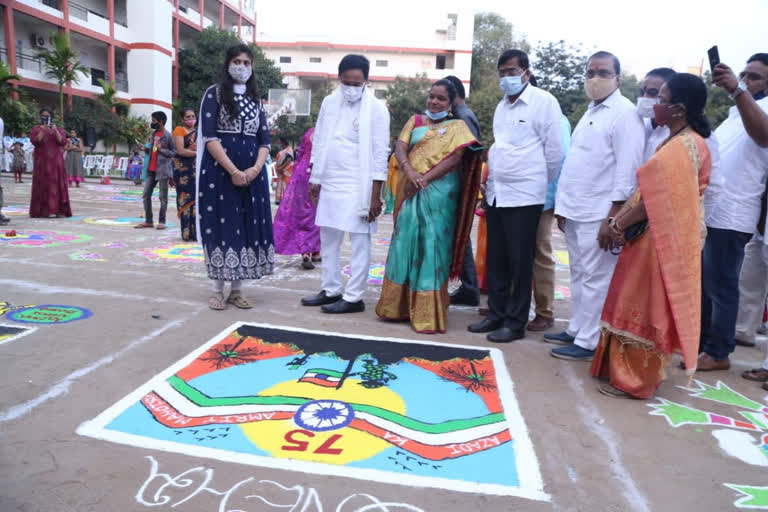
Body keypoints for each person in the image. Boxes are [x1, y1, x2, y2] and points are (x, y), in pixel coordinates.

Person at [591, 73, 713, 398]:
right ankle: (622, 370)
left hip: (660, 241)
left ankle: (636, 379)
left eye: (661, 98)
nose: (655, 105)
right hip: (651, 237)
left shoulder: (685, 146)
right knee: (631, 299)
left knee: (645, 305)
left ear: (679, 109)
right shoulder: (675, 141)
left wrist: (618, 223)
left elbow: (654, 201)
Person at [547, 51, 645, 361]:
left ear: (617, 77)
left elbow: (627, 170)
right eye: (590, 72)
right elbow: (577, 163)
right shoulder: (592, 111)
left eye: (603, 72)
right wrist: (563, 208)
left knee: (596, 277)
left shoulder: (625, 114)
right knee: (579, 273)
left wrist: (613, 218)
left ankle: (589, 341)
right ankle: (577, 327)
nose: (595, 79)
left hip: (600, 212)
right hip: (576, 209)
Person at [468, 50, 563, 342]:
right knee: (496, 258)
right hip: (498, 193)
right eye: (502, 73)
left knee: (521, 262)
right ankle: (496, 314)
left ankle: (514, 322)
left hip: (525, 195)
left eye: (512, 71)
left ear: (526, 72)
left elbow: (554, 152)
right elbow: (500, 147)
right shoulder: (501, 107)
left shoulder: (544, 102)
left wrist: (535, 183)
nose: (506, 78)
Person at [376, 79, 481, 333]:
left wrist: (423, 179)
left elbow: (456, 159)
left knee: (432, 246)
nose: (434, 102)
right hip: (410, 189)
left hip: (439, 195)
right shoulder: (416, 120)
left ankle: (428, 311)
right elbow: (400, 147)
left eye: (441, 98)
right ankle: (396, 307)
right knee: (404, 243)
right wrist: (409, 171)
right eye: (431, 97)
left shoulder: (457, 126)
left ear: (451, 102)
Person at [301, 54, 390, 314]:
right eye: (347, 82)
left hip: (360, 185)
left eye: (357, 83)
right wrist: (315, 177)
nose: (351, 88)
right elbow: (319, 141)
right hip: (330, 179)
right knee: (328, 238)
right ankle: (331, 290)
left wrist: (376, 196)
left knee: (360, 242)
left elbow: (379, 153)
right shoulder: (329, 102)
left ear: (366, 81)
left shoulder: (377, 109)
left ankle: (354, 297)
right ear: (339, 79)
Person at [698, 53, 768, 371]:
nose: (745, 80)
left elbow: (763, 136)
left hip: (735, 212)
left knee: (722, 284)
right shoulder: (736, 113)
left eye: (754, 77)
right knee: (706, 283)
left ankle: (719, 352)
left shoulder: (759, 110)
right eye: (743, 74)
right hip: (713, 209)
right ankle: (703, 344)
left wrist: (738, 91)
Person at [196, 43, 273, 310]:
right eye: (237, 62)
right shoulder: (213, 95)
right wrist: (234, 171)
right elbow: (210, 137)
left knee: (246, 225)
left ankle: (237, 289)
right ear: (228, 64)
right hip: (220, 173)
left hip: (253, 176)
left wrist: (253, 170)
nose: (242, 67)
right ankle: (217, 289)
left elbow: (265, 141)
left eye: (247, 63)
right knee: (221, 224)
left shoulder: (256, 101)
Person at [637, 68, 724, 220]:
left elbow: (712, 188)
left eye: (654, 94)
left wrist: (695, 223)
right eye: (642, 92)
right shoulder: (644, 126)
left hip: (672, 223)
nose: (646, 98)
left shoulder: (697, 138)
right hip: (641, 217)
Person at [439, 74, 483, 308]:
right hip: (461, 184)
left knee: (459, 237)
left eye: (442, 97)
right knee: (459, 237)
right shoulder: (463, 115)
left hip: (460, 185)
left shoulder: (462, 118)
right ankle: (468, 286)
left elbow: (465, 154)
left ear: (453, 95)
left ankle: (469, 287)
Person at [273, 127, 322, 269]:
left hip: (301, 174)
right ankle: (315, 252)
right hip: (318, 173)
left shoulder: (308, 132)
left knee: (303, 214)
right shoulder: (328, 131)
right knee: (317, 214)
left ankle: (306, 252)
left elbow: (299, 154)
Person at [134, 111, 174, 230]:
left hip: (162, 170)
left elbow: (174, 152)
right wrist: (145, 148)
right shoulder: (152, 135)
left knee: (163, 197)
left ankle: (162, 221)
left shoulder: (168, 136)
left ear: (161, 121)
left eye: (154, 121)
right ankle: (149, 221)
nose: (152, 123)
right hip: (151, 170)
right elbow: (152, 150)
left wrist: (162, 150)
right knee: (146, 195)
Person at [29, 108, 71, 218]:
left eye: (47, 116)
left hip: (56, 162)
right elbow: (35, 141)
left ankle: (58, 210)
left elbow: (62, 142)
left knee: (56, 185)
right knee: (42, 185)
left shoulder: (59, 129)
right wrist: (43, 130)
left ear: (51, 117)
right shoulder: (36, 129)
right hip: (41, 162)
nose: (45, 118)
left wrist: (55, 130)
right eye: (43, 116)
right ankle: (42, 211)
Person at [172, 107, 198, 241]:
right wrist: (198, 153)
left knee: (196, 200)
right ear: (182, 119)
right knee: (185, 199)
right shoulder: (179, 130)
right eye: (187, 117)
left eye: (193, 116)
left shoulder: (198, 132)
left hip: (195, 170)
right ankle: (186, 233)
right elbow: (181, 151)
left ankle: (196, 233)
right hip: (182, 170)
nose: (191, 119)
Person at [274, 136, 293, 205]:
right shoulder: (281, 151)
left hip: (286, 172)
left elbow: (289, 160)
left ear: (283, 142)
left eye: (278, 142)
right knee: (280, 185)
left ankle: (286, 199)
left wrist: (281, 168)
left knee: (286, 185)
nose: (278, 143)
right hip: (280, 173)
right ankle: (279, 199)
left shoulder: (289, 150)